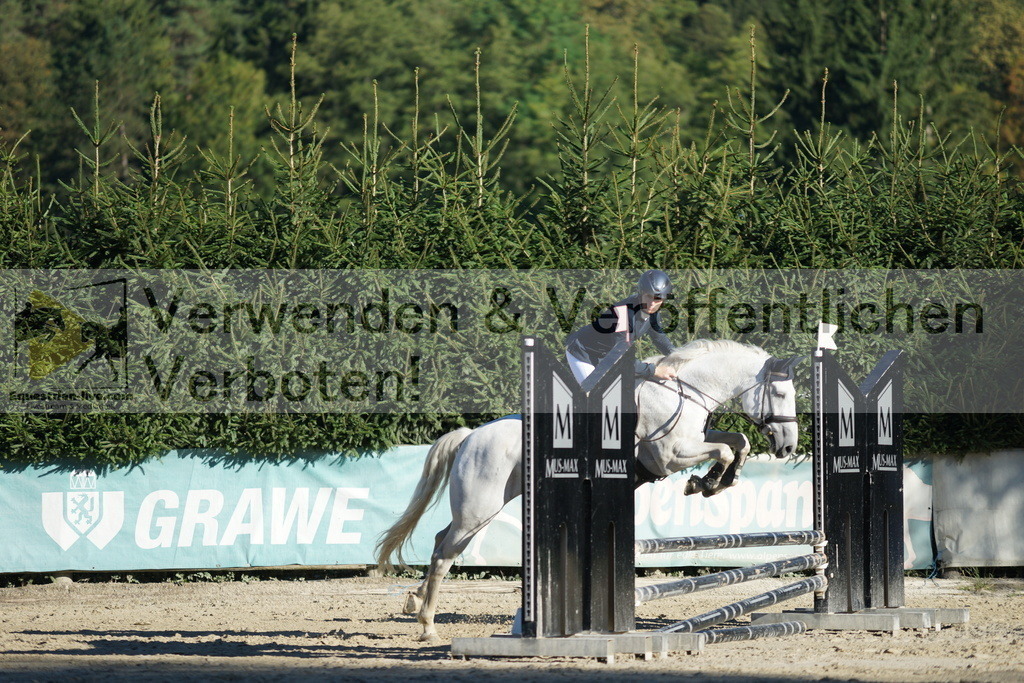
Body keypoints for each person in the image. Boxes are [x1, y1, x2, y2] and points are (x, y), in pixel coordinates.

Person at [564, 269, 678, 384]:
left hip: (605, 357)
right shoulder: (623, 314)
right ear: (641, 293)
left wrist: (679, 357)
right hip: (583, 352)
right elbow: (620, 357)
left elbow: (660, 339)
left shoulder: (653, 313)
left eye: (657, 299)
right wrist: (654, 370)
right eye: (648, 296)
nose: (652, 303)